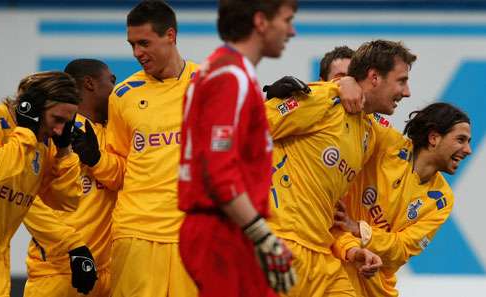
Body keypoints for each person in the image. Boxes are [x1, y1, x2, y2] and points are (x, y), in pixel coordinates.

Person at [263, 39, 417, 297]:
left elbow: (331, 206)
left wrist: (352, 249)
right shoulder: (324, 100)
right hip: (282, 243)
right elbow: (247, 127)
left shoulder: (369, 135)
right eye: (401, 80)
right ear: (374, 77)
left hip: (323, 254)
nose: (407, 92)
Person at [178, 1, 298, 296]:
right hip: (221, 230)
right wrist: (262, 234)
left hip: (228, 227)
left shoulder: (221, 69)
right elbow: (219, 172)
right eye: (287, 19)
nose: (292, 31)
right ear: (260, 21)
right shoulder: (231, 77)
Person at [79, 1, 198, 296]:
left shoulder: (211, 84)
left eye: (144, 43)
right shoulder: (123, 96)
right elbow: (118, 171)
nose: (136, 53)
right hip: (137, 233)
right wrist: (95, 159)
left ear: (170, 35)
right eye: (132, 44)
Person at [332, 102, 472, 297]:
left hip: (375, 286)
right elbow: (354, 111)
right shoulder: (387, 143)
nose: (468, 150)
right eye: (461, 140)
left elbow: (401, 250)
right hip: (334, 261)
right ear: (434, 138)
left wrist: (359, 229)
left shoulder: (443, 199)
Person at [0, 71, 82, 297]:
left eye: (67, 123)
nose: (60, 130)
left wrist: (64, 152)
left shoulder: (42, 146)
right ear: (31, 108)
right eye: (57, 119)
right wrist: (25, 132)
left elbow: (67, 200)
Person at [22, 59, 117, 297]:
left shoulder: (113, 131)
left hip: (105, 274)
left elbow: (125, 177)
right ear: (89, 84)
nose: (116, 91)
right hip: (59, 272)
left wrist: (96, 160)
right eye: (112, 81)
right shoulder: (52, 132)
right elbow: (26, 199)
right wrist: (73, 246)